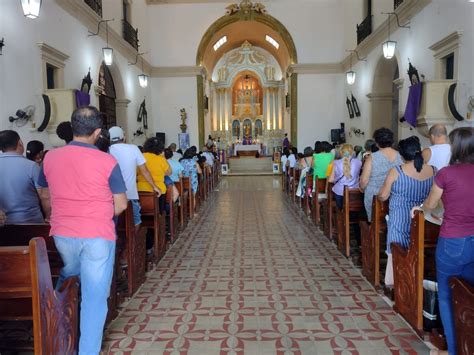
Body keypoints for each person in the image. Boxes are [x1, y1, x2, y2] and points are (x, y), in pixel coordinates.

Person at [37, 106, 128, 354]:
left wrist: (54, 213)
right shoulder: (107, 160)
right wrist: (96, 216)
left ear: (73, 127)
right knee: (94, 299)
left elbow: (44, 193)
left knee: (69, 275)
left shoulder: (50, 158)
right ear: (98, 132)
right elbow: (120, 204)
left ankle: (57, 335)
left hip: (63, 233)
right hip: (97, 234)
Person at [413, 127, 474, 355]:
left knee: (448, 296)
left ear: (455, 147)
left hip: (453, 242)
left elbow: (430, 204)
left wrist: (424, 208)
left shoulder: (446, 174)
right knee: (470, 295)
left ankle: (453, 350)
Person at [378, 136, 435, 287]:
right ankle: (417, 279)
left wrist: (378, 194)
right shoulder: (434, 171)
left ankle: (396, 282)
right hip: (425, 220)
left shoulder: (396, 171)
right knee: (419, 248)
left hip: (400, 220)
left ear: (402, 156)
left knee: (396, 249)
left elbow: (383, 196)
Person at [109, 126, 161, 229]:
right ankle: (135, 242)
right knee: (136, 221)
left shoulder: (107, 150)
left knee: (114, 225)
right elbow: (144, 171)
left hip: (112, 196)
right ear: (123, 137)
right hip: (130, 195)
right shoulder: (133, 148)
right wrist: (154, 186)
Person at [0, 130, 45, 224]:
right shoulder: (32, 166)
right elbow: (43, 196)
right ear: (20, 143)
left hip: (4, 224)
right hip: (32, 223)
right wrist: (48, 217)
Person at [359, 128, 402, 221]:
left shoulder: (372, 157)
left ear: (377, 142)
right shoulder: (401, 156)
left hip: (375, 196)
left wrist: (362, 188)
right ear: (392, 141)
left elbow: (364, 180)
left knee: (375, 221)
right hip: (395, 196)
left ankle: (373, 231)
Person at [328, 144, 362, 209]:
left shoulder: (336, 163)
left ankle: (341, 215)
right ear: (352, 152)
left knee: (341, 209)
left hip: (340, 192)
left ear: (341, 152)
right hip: (354, 192)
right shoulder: (359, 162)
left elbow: (330, 180)